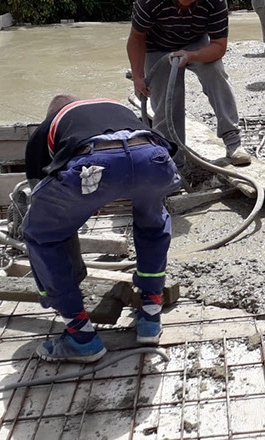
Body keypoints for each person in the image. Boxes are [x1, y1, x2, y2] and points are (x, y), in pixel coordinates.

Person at [23, 95, 181, 362]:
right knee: (152, 222)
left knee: (42, 235)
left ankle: (81, 337)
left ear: (52, 115)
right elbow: (130, 159)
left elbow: (41, 197)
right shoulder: (114, 107)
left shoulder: (47, 127)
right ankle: (150, 317)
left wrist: (81, 204)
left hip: (93, 165)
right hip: (154, 158)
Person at [127, 0, 251, 168]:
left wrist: (191, 55)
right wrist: (138, 76)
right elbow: (136, 38)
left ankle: (233, 141)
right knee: (166, 99)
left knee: (215, 72)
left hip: (195, 42)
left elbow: (219, 46)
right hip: (157, 46)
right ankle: (173, 158)